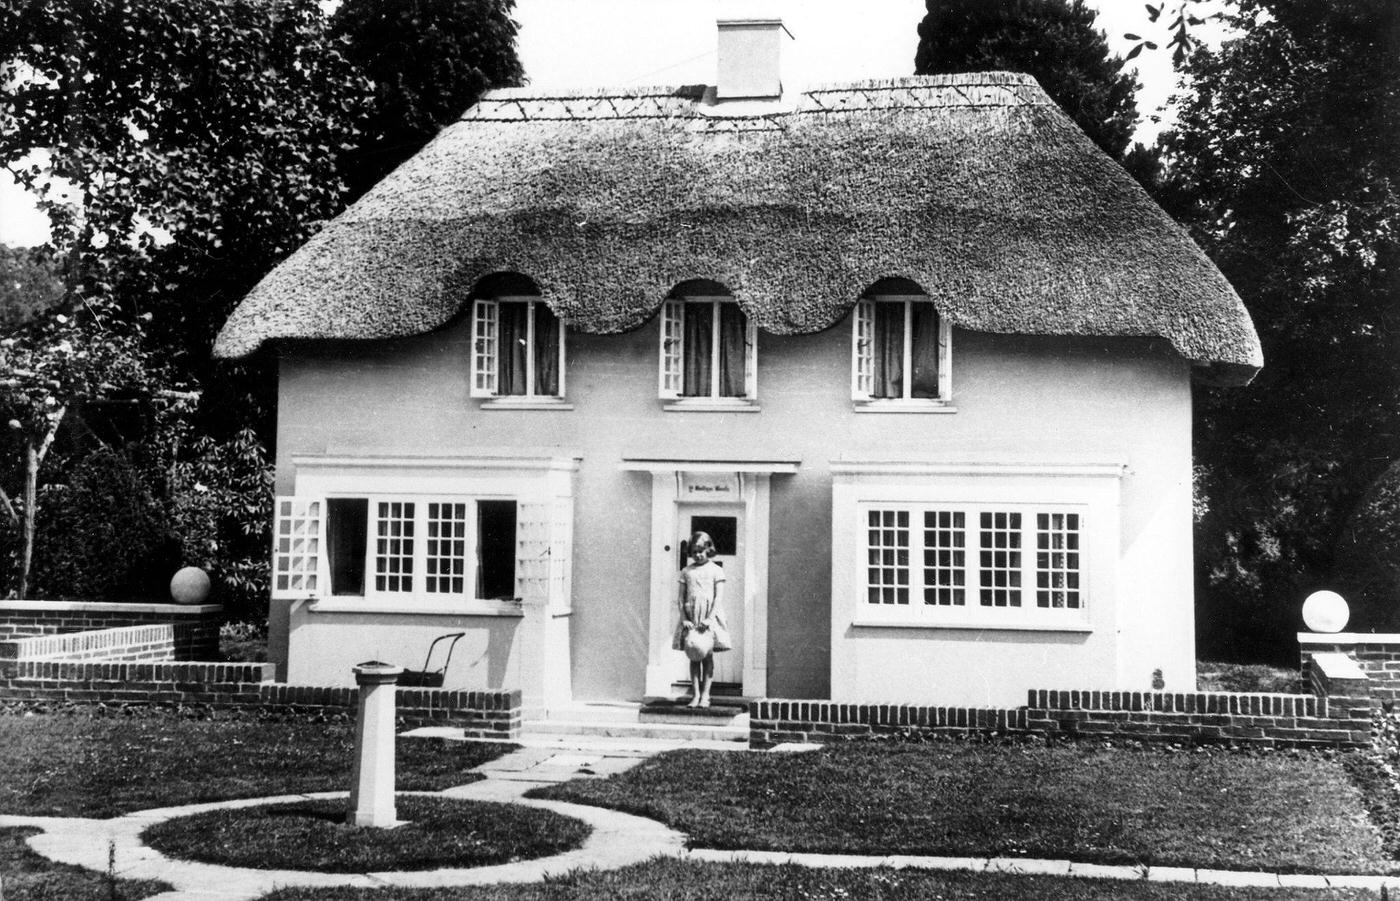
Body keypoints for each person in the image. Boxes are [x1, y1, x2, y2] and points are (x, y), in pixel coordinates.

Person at [672, 530, 731, 707]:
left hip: (708, 619)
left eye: (701, 551)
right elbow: (681, 598)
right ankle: (695, 695)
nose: (698, 555)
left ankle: (706, 695)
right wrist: (684, 619)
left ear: (709, 550)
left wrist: (709, 619)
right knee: (694, 655)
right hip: (691, 618)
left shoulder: (716, 570)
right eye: (694, 551)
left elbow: (718, 598)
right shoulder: (686, 571)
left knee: (707, 656)